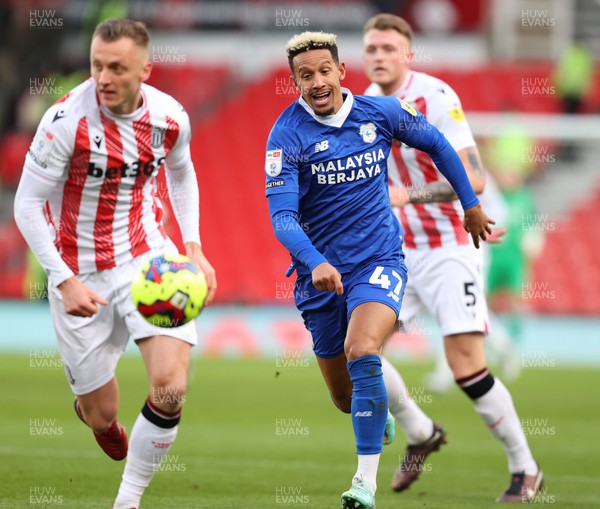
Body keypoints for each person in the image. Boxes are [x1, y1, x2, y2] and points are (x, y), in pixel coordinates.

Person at [265, 31, 493, 509]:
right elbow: (283, 217)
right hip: (319, 274)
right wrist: (315, 261)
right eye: (305, 76)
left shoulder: (380, 113)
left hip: (379, 260)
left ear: (341, 72)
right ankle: (385, 414)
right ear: (295, 82)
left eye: (324, 71)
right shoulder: (285, 135)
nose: (317, 82)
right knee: (346, 399)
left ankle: (363, 484)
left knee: (363, 347)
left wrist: (470, 204)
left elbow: (439, 145)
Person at [13, 18, 216, 509]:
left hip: (149, 259)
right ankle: (95, 417)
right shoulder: (65, 122)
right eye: (96, 65)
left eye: (117, 68)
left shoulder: (170, 117)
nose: (103, 77)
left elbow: (182, 175)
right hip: (78, 270)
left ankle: (126, 501)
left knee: (170, 387)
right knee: (102, 412)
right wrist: (62, 282)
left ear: (145, 69)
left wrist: (193, 246)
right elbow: (25, 205)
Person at [362, 13, 542, 502]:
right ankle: (420, 432)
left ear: (408, 54)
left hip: (447, 251)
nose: (378, 56)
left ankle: (525, 468)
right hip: (396, 253)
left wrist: (408, 195)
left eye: (387, 48)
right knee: (358, 351)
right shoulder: (363, 107)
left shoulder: (436, 98)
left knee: (466, 368)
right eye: (371, 49)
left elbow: (476, 178)